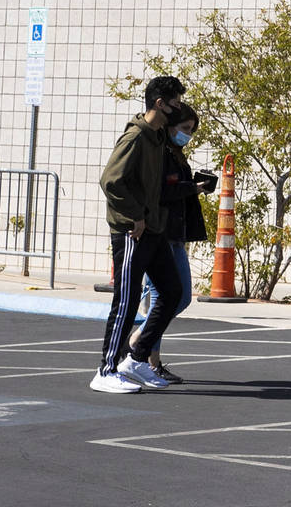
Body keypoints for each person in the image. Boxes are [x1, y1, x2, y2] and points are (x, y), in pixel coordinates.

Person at [91, 75, 187, 394]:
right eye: (174, 103)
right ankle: (106, 369)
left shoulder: (159, 137)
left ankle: (135, 358)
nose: (179, 108)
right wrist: (135, 215)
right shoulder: (135, 137)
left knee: (172, 293)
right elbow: (110, 181)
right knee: (127, 300)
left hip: (154, 229)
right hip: (132, 230)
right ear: (159, 103)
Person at [127, 102, 214, 384]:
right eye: (185, 129)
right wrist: (192, 187)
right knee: (170, 297)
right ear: (170, 125)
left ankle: (150, 360)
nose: (188, 135)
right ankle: (143, 351)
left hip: (175, 233)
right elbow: (162, 190)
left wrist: (194, 186)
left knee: (174, 297)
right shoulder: (160, 152)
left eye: (191, 130)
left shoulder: (176, 153)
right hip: (160, 233)